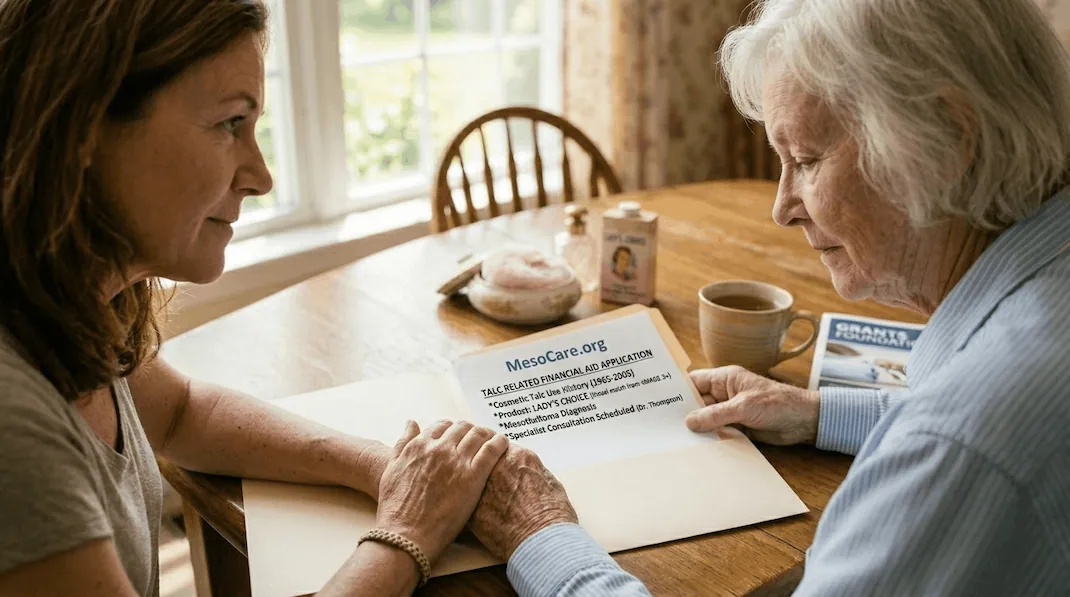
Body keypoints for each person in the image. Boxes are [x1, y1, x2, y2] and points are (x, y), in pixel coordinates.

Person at [468, 0, 1070, 594]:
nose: (782, 208)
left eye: (805, 159)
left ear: (948, 139)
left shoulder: (961, 447)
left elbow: (965, 442)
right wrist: (816, 412)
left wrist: (538, 533)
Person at [0, 2, 525, 595]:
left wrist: (383, 467)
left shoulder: (78, 302)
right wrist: (407, 534)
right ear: (83, 127)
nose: (261, 175)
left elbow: (181, 411)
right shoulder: (12, 427)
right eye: (230, 124)